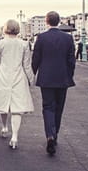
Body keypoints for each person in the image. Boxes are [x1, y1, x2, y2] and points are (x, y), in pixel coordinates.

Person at [0, 19, 34, 150]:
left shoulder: (0, 44)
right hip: (19, 77)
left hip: (3, 77)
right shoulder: (24, 44)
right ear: (17, 29)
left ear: (5, 29)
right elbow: (27, 65)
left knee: (3, 103)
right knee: (17, 108)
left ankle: (5, 127)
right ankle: (15, 137)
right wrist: (32, 80)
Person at [32, 11, 76, 156]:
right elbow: (71, 61)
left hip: (46, 79)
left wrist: (31, 74)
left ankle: (50, 135)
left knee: (48, 107)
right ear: (58, 21)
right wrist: (69, 76)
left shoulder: (41, 38)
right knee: (59, 107)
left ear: (46, 21)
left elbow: (36, 59)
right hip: (63, 79)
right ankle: (55, 133)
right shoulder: (68, 39)